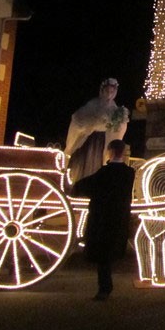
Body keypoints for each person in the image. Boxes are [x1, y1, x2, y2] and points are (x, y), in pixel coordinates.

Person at [72, 139, 136, 300]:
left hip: (103, 219)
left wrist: (73, 187)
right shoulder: (129, 173)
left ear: (111, 152)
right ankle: (105, 288)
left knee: (103, 256)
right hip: (119, 219)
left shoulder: (105, 172)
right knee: (109, 254)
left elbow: (87, 185)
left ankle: (104, 289)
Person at [65, 78, 129, 184]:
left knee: (99, 164)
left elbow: (117, 127)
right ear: (102, 90)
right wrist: (94, 122)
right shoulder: (93, 104)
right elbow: (78, 118)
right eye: (107, 91)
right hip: (90, 141)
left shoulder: (115, 109)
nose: (109, 93)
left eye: (112, 91)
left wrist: (119, 123)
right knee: (85, 163)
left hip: (103, 141)